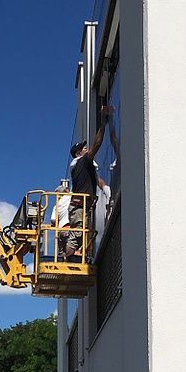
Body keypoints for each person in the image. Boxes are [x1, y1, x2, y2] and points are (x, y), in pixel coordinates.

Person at [66, 107, 112, 259]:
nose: (87, 149)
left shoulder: (84, 168)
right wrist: (103, 123)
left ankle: (75, 258)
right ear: (79, 153)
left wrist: (106, 189)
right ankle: (69, 260)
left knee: (82, 234)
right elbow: (97, 145)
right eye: (85, 148)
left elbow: (97, 180)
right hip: (79, 207)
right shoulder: (81, 162)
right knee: (77, 234)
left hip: (82, 206)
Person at [50, 183, 71, 257]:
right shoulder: (72, 196)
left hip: (63, 229)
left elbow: (53, 219)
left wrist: (57, 222)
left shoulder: (57, 205)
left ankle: (62, 256)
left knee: (61, 246)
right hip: (73, 228)